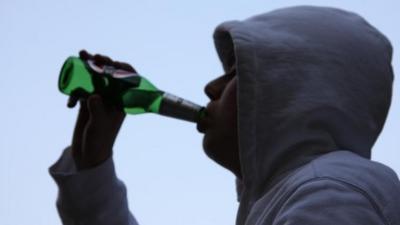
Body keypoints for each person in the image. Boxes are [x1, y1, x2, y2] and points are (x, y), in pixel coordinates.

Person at [49, 6, 400, 225]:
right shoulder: (289, 195)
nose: (209, 87)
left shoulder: (332, 189)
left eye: (234, 73)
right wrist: (92, 163)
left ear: (291, 88)